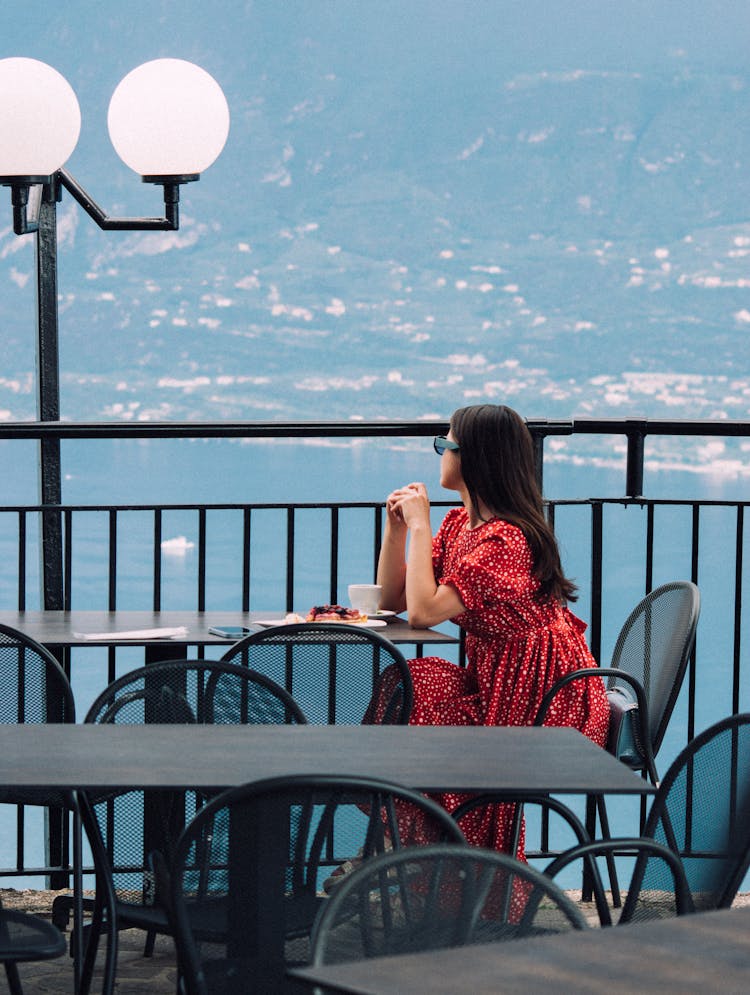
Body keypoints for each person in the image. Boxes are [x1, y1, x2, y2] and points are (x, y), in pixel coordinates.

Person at [365, 403, 610, 860]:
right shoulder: (462, 524)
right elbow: (393, 601)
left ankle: (451, 865)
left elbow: (422, 614)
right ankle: (403, 852)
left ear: (474, 457)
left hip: (544, 700)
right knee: (409, 681)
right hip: (498, 683)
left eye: (446, 444)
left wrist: (421, 525)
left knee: (434, 726)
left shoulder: (505, 541)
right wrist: (396, 530)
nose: (441, 453)